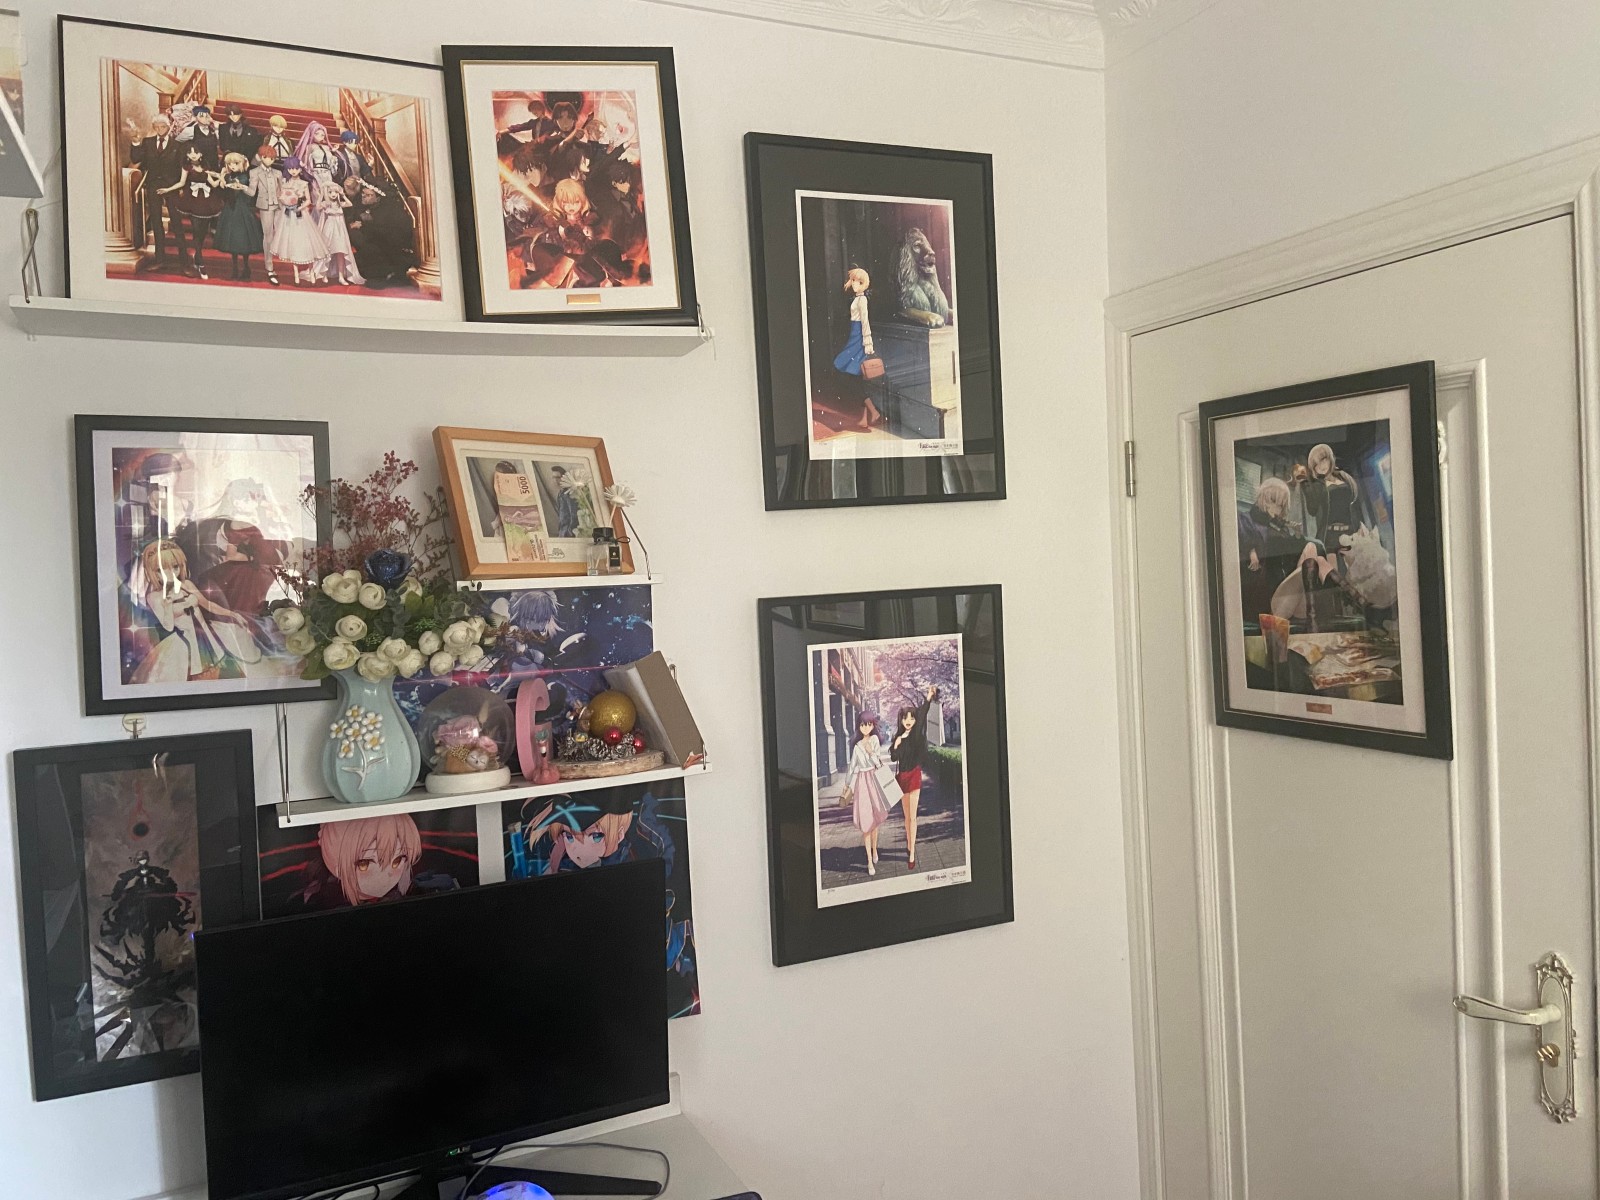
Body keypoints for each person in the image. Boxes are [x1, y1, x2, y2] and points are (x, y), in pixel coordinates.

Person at [127, 539, 261, 683]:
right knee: (193, 678)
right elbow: (168, 627)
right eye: (162, 569)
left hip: (208, 636)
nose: (171, 573)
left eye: (175, 566)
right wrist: (168, 607)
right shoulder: (154, 597)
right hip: (185, 644)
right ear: (153, 572)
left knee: (227, 673)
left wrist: (232, 614)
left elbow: (207, 604)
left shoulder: (187, 584)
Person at [295, 815, 460, 909]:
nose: (386, 875)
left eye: (397, 861)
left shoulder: (405, 892)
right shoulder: (320, 902)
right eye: (364, 864)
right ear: (337, 866)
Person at [1237, 475, 1311, 629]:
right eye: (1273, 501)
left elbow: (1291, 557)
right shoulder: (1245, 519)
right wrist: (1252, 551)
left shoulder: (1281, 528)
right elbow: (1245, 540)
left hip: (1281, 590)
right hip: (1262, 592)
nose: (1277, 508)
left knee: (1311, 549)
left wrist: (1297, 535)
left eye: (1281, 505)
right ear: (1263, 498)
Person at [889, 684, 940, 871]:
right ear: (901, 720)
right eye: (906, 718)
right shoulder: (899, 736)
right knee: (906, 817)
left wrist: (928, 697)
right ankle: (909, 843)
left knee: (912, 817)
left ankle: (911, 853)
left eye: (911, 717)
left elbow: (923, 712)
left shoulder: (917, 733)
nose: (909, 721)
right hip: (902, 777)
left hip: (914, 776)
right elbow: (894, 758)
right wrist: (896, 744)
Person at [126, 114, 188, 269]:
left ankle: (184, 263)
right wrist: (135, 141)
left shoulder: (178, 145)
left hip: (172, 187)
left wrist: (181, 188)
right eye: (157, 127)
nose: (160, 129)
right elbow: (136, 158)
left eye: (163, 126)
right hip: (153, 186)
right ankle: (160, 260)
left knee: (177, 223)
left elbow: (183, 167)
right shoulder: (148, 142)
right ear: (153, 128)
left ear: (169, 127)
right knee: (156, 222)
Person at [833, 266, 882, 431]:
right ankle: (864, 418)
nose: (855, 284)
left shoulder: (862, 300)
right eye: (853, 280)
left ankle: (873, 412)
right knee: (856, 378)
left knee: (851, 377)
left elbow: (865, 322)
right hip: (854, 335)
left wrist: (868, 344)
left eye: (859, 282)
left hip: (858, 338)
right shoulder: (857, 299)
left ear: (865, 284)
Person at [268, 156, 330, 286]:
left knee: (307, 243)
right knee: (292, 244)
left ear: (300, 169)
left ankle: (311, 272)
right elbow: (281, 198)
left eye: (296, 168)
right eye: (290, 169)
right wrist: (285, 201)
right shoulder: (285, 183)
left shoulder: (303, 183)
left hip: (301, 215)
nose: (293, 171)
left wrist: (300, 207)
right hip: (289, 216)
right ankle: (296, 274)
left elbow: (308, 200)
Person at [842, 713, 891, 876]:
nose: (866, 728)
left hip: (874, 780)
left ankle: (874, 850)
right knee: (866, 824)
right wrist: (846, 784)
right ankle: (869, 861)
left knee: (875, 822)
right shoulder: (856, 746)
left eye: (869, 724)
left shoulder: (874, 740)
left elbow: (878, 763)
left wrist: (871, 752)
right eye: (863, 725)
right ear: (858, 726)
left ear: (873, 726)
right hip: (862, 782)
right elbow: (852, 766)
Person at [166, 144, 224, 278]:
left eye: (195, 152)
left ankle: (197, 257)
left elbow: (213, 184)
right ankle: (201, 262)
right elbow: (181, 183)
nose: (193, 155)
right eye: (190, 152)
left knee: (202, 232)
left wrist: (222, 176)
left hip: (207, 200)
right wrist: (168, 189)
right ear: (187, 155)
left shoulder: (205, 168)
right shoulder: (187, 167)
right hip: (192, 200)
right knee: (196, 229)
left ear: (200, 154)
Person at [347, 179, 417, 288]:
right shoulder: (363, 205)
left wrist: (363, 226)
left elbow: (387, 234)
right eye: (363, 193)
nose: (363, 196)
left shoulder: (390, 210)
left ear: (378, 198)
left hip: (390, 249)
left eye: (368, 195)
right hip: (374, 246)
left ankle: (384, 273)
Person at [213, 151, 263, 281]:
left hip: (241, 209)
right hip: (230, 209)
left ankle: (246, 267)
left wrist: (227, 181)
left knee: (242, 240)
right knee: (232, 241)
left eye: (235, 163)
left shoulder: (244, 177)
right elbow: (223, 190)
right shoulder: (229, 176)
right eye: (230, 164)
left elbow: (237, 191)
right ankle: (235, 268)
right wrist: (223, 176)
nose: (232, 166)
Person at [1302, 442, 1361, 550]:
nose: (1321, 466)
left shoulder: (1344, 476)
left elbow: (1354, 499)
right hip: (1330, 535)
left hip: (1351, 532)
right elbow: (1312, 510)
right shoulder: (1317, 485)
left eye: (1323, 460)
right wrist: (1308, 488)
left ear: (1330, 459)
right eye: (1316, 465)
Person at [316, 175, 364, 286]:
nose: (333, 194)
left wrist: (342, 195)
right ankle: (324, 273)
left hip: (340, 229)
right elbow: (318, 207)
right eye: (330, 192)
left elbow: (349, 204)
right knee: (327, 250)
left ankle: (341, 276)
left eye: (335, 192)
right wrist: (321, 195)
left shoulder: (339, 204)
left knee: (341, 252)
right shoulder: (326, 204)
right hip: (329, 228)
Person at [248, 144, 285, 285]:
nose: (269, 160)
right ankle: (269, 267)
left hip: (279, 206)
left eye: (272, 158)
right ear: (261, 157)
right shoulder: (254, 172)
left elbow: (282, 190)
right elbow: (252, 191)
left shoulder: (278, 173)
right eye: (266, 157)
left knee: (280, 233)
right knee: (268, 235)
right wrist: (241, 187)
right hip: (265, 206)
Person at [180, 104, 220, 168]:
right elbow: (177, 143)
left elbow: (219, 143)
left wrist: (217, 129)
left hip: (213, 164)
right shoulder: (190, 130)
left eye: (207, 116)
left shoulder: (213, 129)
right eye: (201, 116)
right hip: (198, 165)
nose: (205, 118)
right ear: (196, 118)